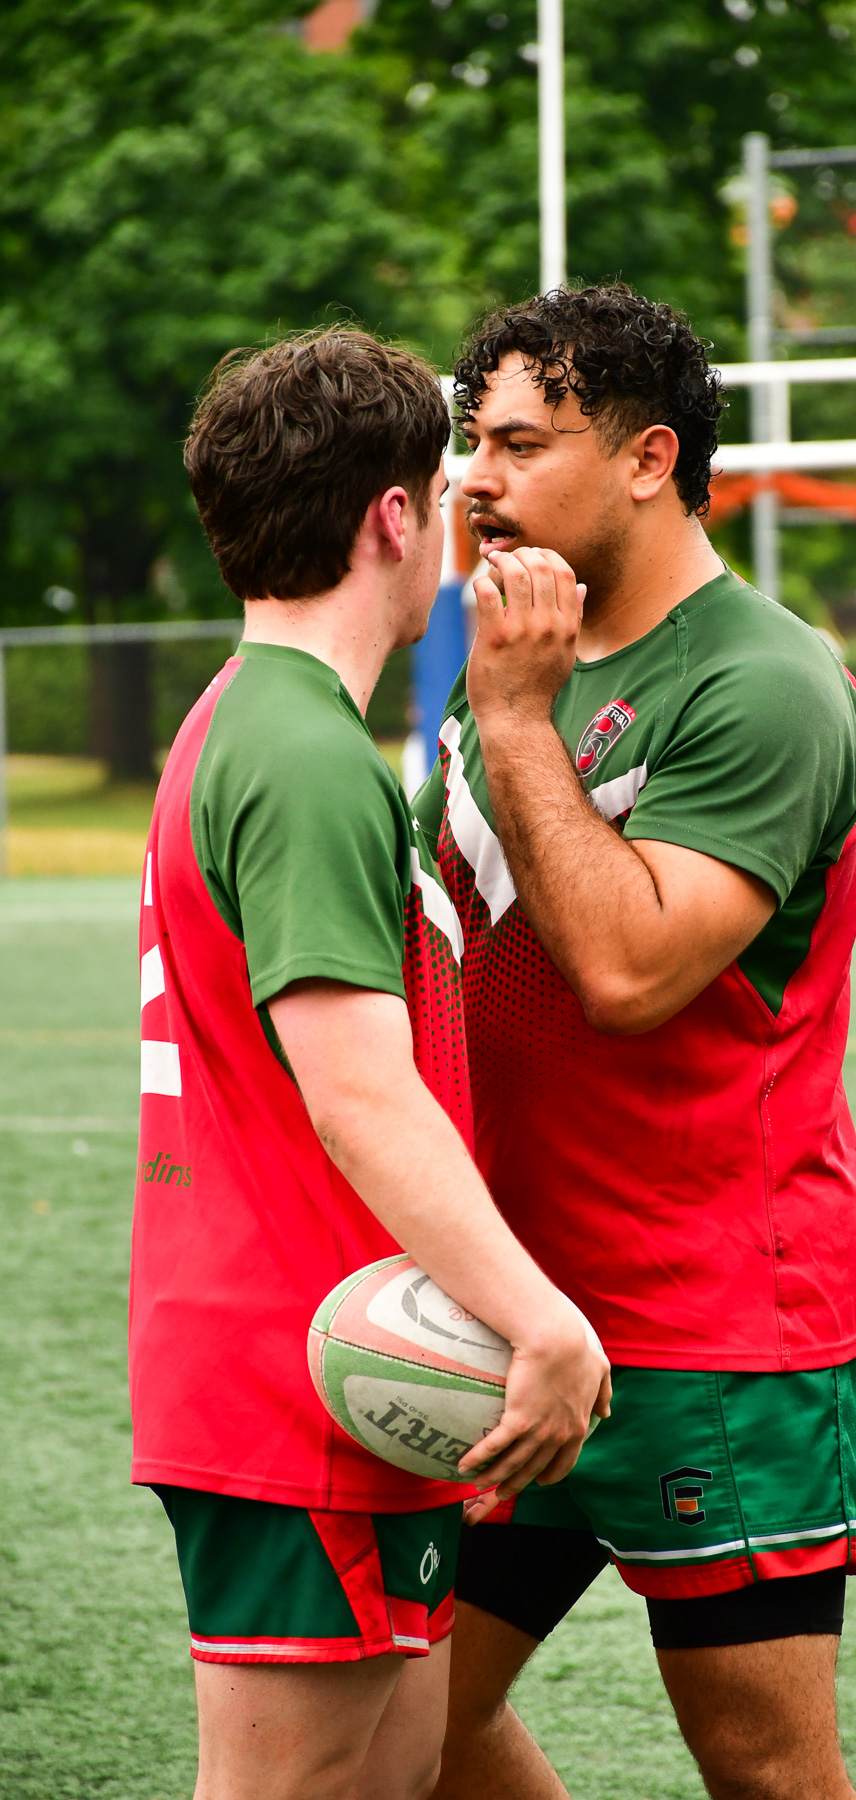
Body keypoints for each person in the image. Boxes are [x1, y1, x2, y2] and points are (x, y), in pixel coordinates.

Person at [130, 328, 609, 1800]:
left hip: (321, 1371)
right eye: (442, 491)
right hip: (297, 1386)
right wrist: (544, 1324)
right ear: (390, 519)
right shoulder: (304, 754)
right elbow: (357, 1091)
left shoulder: (257, 718)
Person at [415, 287, 856, 1800]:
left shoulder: (764, 680)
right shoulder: (502, 667)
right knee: (413, 1728)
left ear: (649, 458)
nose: (477, 475)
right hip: (509, 1314)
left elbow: (626, 972)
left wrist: (520, 721)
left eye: (522, 442)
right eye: (471, 439)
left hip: (709, 1326)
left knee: (760, 1768)